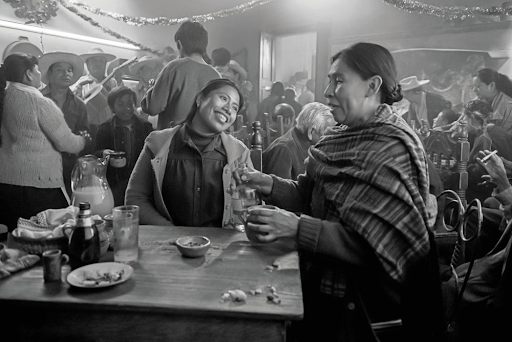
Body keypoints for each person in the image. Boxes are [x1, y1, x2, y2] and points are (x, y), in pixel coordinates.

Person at [236, 43, 443, 342]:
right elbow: (311, 197)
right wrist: (265, 182)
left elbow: (382, 245)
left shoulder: (392, 146)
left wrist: (296, 227)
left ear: (372, 85)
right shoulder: (337, 137)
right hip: (319, 287)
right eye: (329, 80)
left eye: (339, 80)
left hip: (361, 308)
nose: (327, 92)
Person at [126, 79, 252, 227]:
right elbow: (136, 198)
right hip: (167, 244)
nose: (228, 109)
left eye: (235, 108)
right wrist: (169, 231)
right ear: (200, 98)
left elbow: (250, 207)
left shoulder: (239, 153)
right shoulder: (158, 143)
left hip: (220, 245)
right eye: (224, 98)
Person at [0, 53, 87, 233]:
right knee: (44, 236)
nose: (40, 73)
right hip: (38, 186)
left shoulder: (5, 96)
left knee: (16, 238)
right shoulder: (38, 102)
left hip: (6, 184)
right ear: (29, 74)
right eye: (37, 69)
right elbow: (66, 143)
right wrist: (83, 140)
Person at [141, 21, 221, 130]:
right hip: (204, 143)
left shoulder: (173, 68)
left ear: (179, 44)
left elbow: (153, 108)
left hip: (173, 140)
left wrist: (152, 89)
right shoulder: (216, 75)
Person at [39, 51, 90, 197]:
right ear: (50, 73)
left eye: (69, 70)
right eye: (60, 70)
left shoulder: (79, 105)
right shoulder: (38, 99)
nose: (66, 73)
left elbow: (84, 133)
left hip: (69, 165)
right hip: (41, 165)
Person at [94, 86, 153, 207]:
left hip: (141, 182)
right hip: (115, 183)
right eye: (120, 104)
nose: (126, 108)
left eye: (130, 103)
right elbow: (95, 154)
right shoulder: (105, 129)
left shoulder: (145, 127)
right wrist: (104, 153)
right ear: (112, 108)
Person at [262, 102, 335, 180]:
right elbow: (279, 190)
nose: (329, 139)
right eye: (327, 135)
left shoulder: (309, 145)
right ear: (311, 132)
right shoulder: (283, 149)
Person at [464, 100, 512, 203]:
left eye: (465, 117)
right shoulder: (501, 132)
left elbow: (479, 174)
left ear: (472, 118)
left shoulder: (485, 137)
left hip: (489, 191)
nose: (463, 121)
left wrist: (462, 166)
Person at [71, 47, 118, 139]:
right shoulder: (78, 84)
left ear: (105, 65)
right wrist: (76, 97)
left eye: (101, 61)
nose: (98, 63)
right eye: (94, 61)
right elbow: (71, 112)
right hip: (89, 133)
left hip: (112, 131)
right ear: (87, 65)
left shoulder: (114, 83)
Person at [472, 68, 512, 135]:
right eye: (474, 86)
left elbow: (500, 136)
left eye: (478, 86)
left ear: (492, 85)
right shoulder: (477, 100)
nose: (474, 90)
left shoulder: (508, 106)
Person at [128, 55, 163, 128]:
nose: (154, 72)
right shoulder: (132, 91)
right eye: (150, 69)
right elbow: (131, 113)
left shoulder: (162, 90)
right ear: (140, 71)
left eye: (155, 69)